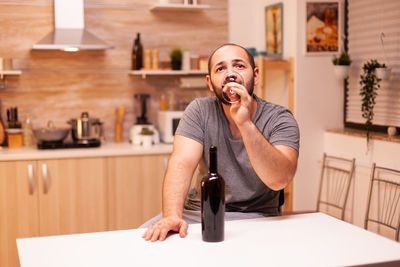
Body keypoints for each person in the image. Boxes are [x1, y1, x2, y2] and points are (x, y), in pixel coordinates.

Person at [142, 43, 299, 242]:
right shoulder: (199, 111)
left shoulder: (279, 118)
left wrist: (245, 123)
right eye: (220, 68)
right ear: (210, 82)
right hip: (199, 212)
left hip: (256, 217)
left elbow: (279, 180)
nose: (230, 73)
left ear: (256, 75)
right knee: (145, 241)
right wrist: (172, 215)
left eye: (239, 66)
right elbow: (181, 163)